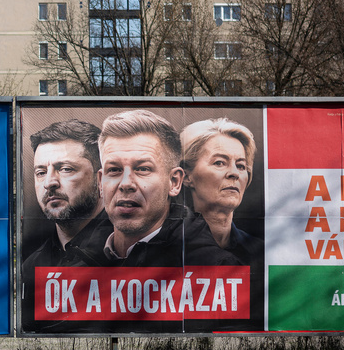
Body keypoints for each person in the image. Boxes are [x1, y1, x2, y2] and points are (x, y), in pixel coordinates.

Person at [96, 109, 241, 267]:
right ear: (100, 182)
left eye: (143, 169)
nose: (125, 184)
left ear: (174, 182)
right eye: (114, 170)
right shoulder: (76, 265)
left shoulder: (215, 269)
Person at [21, 119, 112, 278]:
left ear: (101, 179)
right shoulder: (32, 266)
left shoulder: (128, 251)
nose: (49, 183)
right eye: (41, 173)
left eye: (65, 169)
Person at [180, 118, 262, 262]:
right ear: (186, 176)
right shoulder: (164, 249)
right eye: (219, 163)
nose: (234, 173)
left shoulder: (261, 252)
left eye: (241, 165)